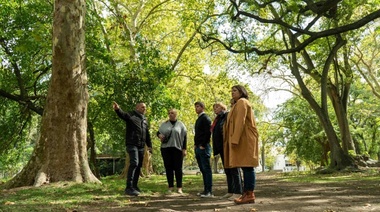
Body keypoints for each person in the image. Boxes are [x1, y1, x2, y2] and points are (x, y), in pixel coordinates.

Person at [223, 85, 259, 204]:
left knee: (247, 166)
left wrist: (234, 139)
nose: (232, 93)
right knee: (245, 165)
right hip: (243, 138)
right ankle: (246, 194)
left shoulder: (242, 102)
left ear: (241, 92)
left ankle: (249, 194)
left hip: (245, 138)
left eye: (235, 90)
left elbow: (240, 121)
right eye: (231, 91)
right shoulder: (237, 104)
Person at [113, 101, 152, 196]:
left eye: (145, 107)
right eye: (142, 107)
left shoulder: (144, 120)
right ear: (137, 108)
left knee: (139, 166)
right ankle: (128, 187)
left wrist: (150, 146)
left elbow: (147, 134)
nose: (144, 109)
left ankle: (135, 186)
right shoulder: (131, 115)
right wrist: (118, 109)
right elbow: (123, 115)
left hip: (141, 146)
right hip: (132, 144)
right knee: (134, 162)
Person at [211, 102, 242, 200]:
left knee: (234, 169)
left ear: (223, 107)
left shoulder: (227, 115)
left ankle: (239, 191)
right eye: (214, 108)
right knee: (227, 169)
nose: (215, 109)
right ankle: (230, 191)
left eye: (217, 107)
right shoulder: (217, 119)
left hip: (229, 145)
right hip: (221, 147)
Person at [157, 109, 188, 194]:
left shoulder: (181, 125)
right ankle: (170, 187)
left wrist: (184, 149)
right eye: (169, 113)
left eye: (172, 113)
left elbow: (185, 137)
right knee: (168, 168)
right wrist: (159, 135)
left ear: (176, 114)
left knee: (178, 168)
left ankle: (179, 187)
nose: (170, 114)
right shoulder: (164, 124)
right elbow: (158, 132)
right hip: (166, 148)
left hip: (177, 148)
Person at [193, 101, 213, 197]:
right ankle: (205, 190)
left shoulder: (205, 118)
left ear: (202, 107)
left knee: (206, 169)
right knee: (202, 169)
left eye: (198, 106)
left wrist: (203, 145)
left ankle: (209, 191)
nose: (196, 108)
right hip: (198, 147)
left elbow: (208, 132)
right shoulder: (199, 119)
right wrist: (195, 144)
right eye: (195, 107)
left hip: (204, 147)